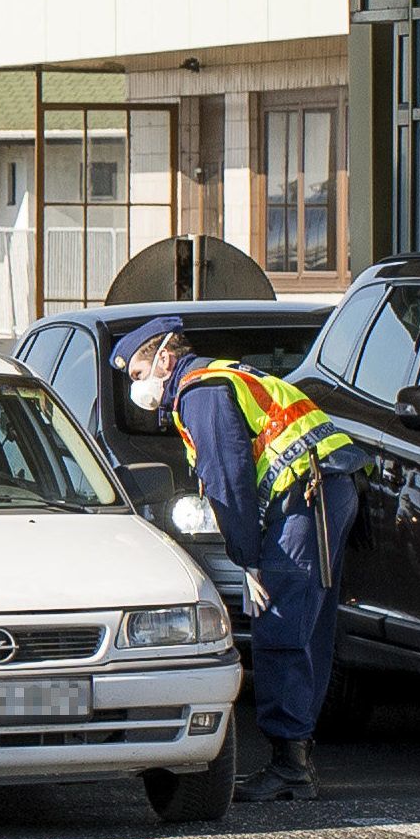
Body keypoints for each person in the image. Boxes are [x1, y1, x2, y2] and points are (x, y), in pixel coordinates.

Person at [121, 315, 360, 801]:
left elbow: (228, 481)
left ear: (165, 358)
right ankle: (297, 756)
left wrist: (246, 560)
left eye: (139, 375)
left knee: (279, 625)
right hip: (324, 493)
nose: (138, 389)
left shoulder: (199, 393)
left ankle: (290, 765)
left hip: (306, 499)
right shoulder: (225, 377)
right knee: (307, 628)